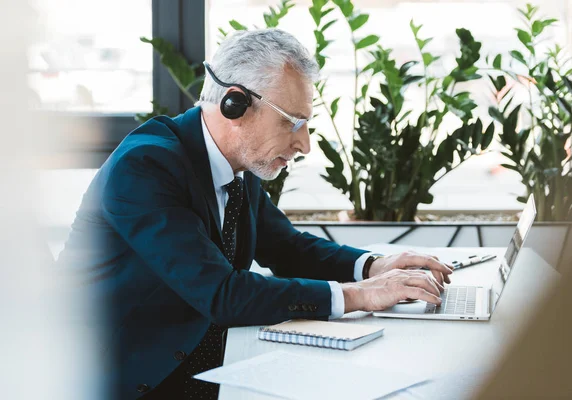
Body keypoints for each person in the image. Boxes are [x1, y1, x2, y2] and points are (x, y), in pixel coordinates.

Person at [56, 28, 453, 399]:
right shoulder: (146, 166)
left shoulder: (236, 167)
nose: (304, 144)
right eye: (291, 123)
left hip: (205, 360)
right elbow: (222, 293)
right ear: (236, 104)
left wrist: (375, 267)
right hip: (125, 379)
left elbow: (287, 248)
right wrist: (359, 296)